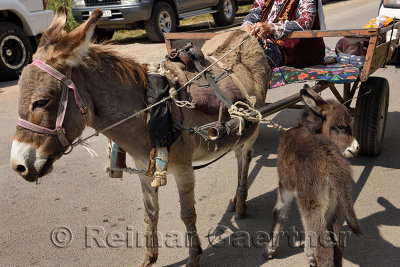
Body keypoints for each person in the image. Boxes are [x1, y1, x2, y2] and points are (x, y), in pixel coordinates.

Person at [241, 0, 326, 68]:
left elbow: (305, 22)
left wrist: (272, 28)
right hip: (267, 41)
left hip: (298, 46)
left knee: (257, 59)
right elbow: (254, 13)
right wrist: (247, 25)